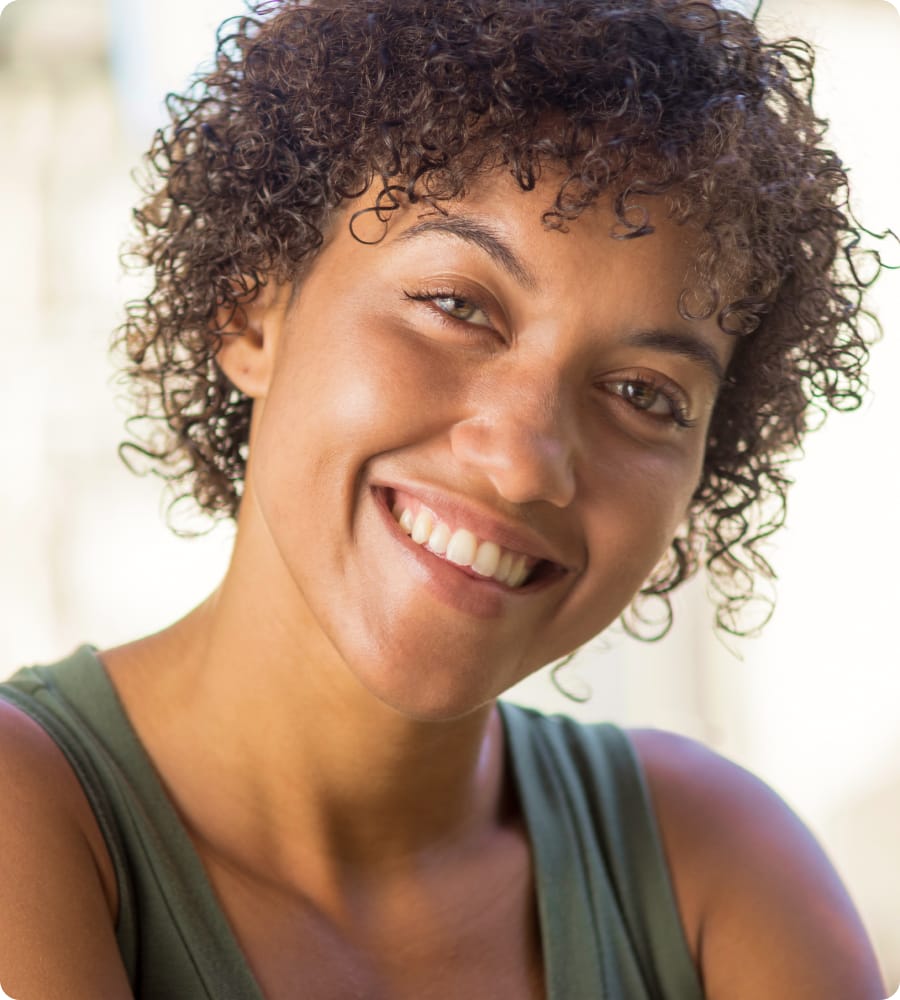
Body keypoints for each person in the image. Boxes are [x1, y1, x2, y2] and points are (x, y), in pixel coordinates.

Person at [0, 0, 890, 997]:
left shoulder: (719, 871)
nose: (524, 463)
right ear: (252, 310)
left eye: (644, 395)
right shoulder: (31, 810)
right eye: (457, 306)